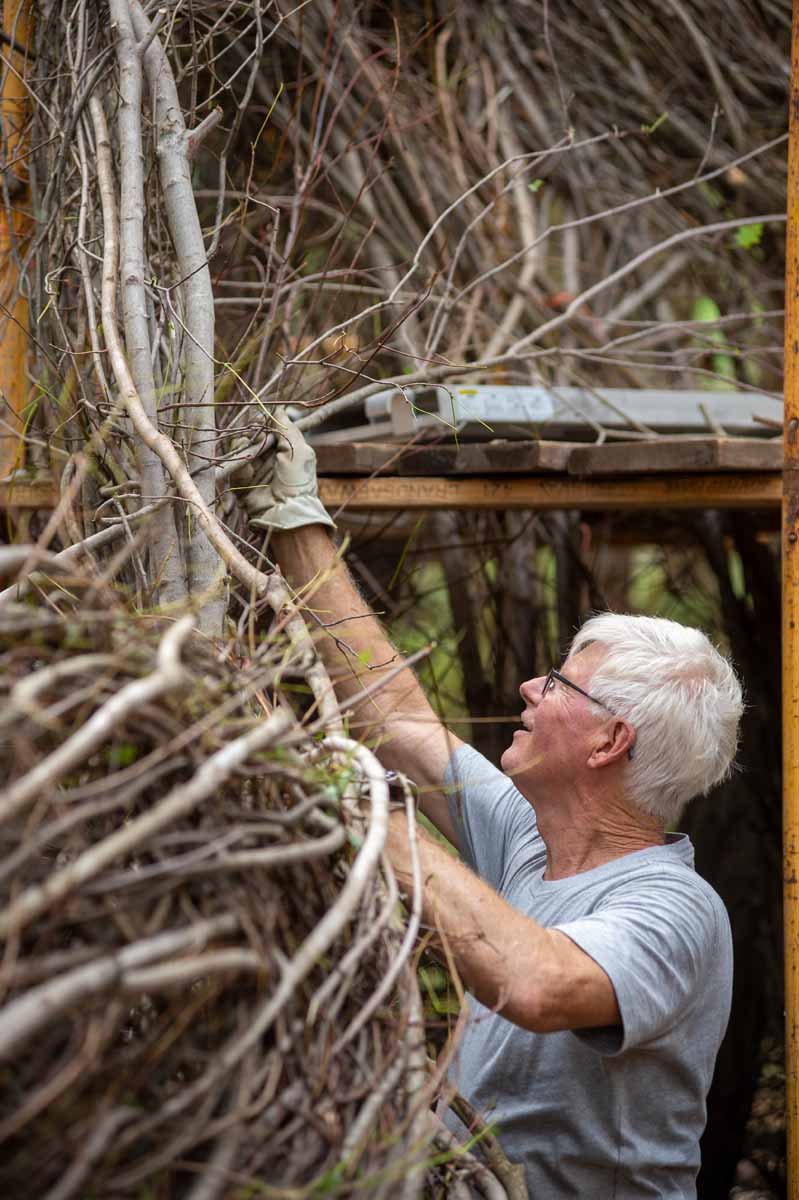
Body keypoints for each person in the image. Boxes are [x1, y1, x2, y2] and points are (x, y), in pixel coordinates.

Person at [239, 416, 744, 1199]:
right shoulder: (526, 835)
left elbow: (536, 983)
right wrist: (297, 521)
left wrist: (371, 809)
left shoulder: (673, 909)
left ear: (610, 741)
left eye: (557, 683)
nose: (527, 689)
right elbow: (399, 719)